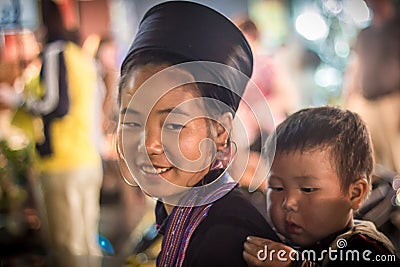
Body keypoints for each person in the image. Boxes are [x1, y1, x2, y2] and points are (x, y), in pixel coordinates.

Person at [116, 1, 279, 266]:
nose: (150, 145)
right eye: (132, 123)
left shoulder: (228, 238)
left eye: (174, 125)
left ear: (220, 131)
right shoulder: (174, 211)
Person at [0, 0, 103, 263]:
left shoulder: (55, 53)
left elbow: (55, 105)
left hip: (63, 163)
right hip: (86, 159)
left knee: (67, 248)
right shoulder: (78, 56)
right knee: (86, 246)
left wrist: (16, 99)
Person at [243, 106, 399, 266]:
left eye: (307, 189)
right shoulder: (272, 240)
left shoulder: (366, 248)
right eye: (277, 188)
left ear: (354, 194)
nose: (288, 203)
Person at [342, 0, 400, 174]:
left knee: (395, 157)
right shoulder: (365, 34)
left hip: (393, 100)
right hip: (366, 101)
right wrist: (349, 97)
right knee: (368, 160)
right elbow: (355, 67)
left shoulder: (396, 28)